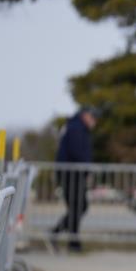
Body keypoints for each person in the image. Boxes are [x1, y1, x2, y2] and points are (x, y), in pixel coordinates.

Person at [52, 107, 96, 252]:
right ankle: (58, 234)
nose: (94, 121)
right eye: (93, 117)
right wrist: (87, 168)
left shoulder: (77, 127)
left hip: (74, 173)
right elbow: (76, 152)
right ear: (85, 116)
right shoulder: (76, 128)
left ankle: (73, 242)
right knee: (79, 207)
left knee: (77, 208)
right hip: (72, 173)